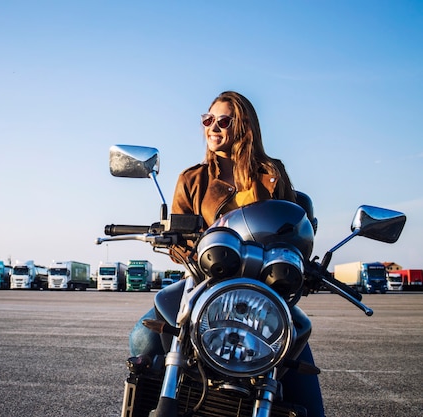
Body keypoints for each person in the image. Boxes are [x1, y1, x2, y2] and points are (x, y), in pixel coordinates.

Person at [129, 91, 324, 416]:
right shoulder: (193, 179)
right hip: (206, 283)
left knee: (302, 370)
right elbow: (179, 242)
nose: (212, 127)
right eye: (208, 120)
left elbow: (292, 223)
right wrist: (179, 241)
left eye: (223, 121)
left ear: (244, 126)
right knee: (141, 338)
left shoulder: (271, 173)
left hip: (261, 289)